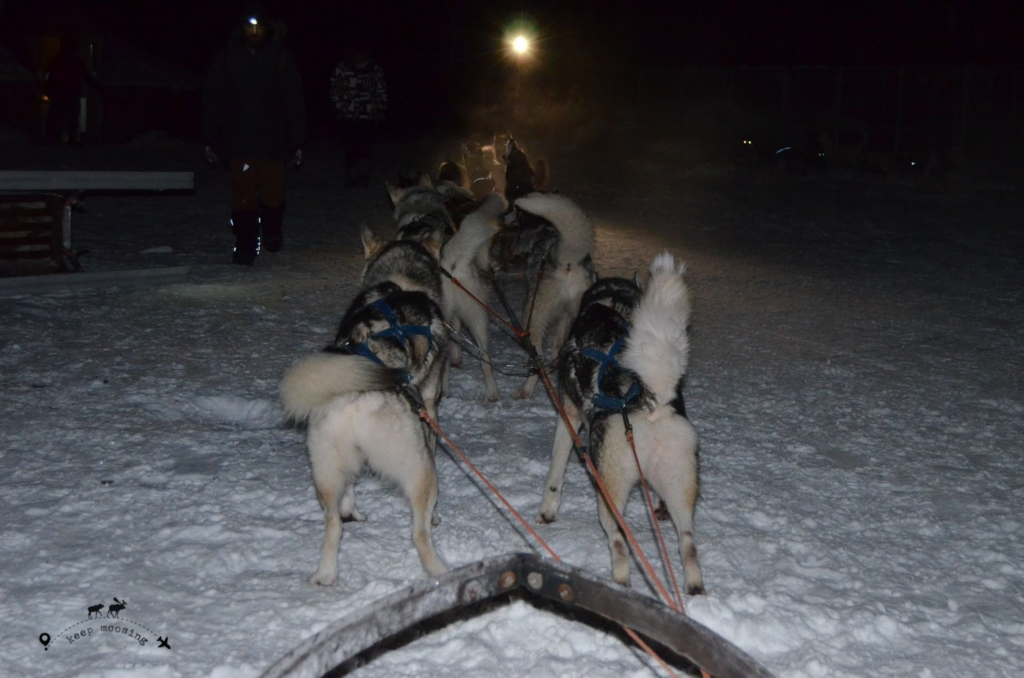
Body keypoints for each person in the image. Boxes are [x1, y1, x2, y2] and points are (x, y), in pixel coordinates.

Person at [201, 5, 307, 265]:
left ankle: (271, 229)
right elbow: (213, 98)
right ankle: (246, 244)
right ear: (242, 28)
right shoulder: (226, 56)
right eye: (250, 27)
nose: (255, 32)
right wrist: (209, 137)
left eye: (259, 27)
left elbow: (294, 99)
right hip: (239, 143)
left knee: (272, 194)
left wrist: (298, 139)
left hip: (273, 142)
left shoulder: (280, 56)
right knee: (244, 196)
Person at [329, 47, 387, 187]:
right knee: (351, 147)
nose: (359, 57)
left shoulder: (374, 69)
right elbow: (334, 89)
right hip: (348, 115)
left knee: (365, 147)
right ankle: (353, 176)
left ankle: (362, 176)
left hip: (367, 116)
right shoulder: (342, 68)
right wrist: (339, 107)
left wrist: (380, 109)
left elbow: (381, 89)